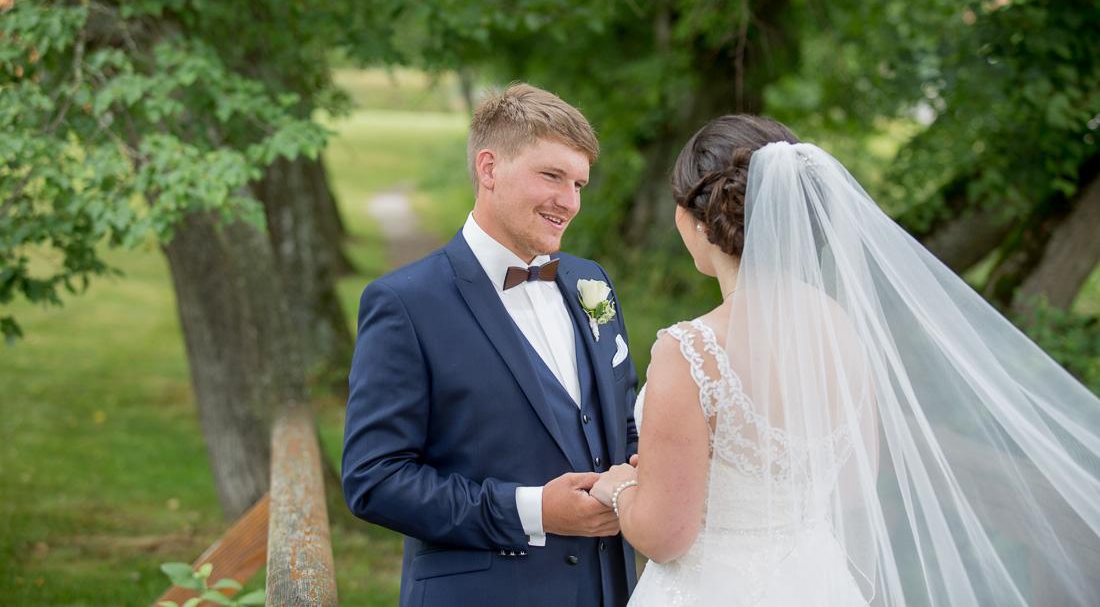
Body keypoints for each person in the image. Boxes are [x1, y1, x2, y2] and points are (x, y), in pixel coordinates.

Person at [592, 114, 1100, 606]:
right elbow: (854, 489)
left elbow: (664, 536)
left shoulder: (690, 350)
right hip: (816, 582)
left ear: (693, 220)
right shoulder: (844, 331)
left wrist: (623, 489)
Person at [342, 83, 639, 607]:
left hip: (607, 589)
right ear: (488, 168)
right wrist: (533, 510)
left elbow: (620, 419)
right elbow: (373, 479)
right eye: (551, 176)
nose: (568, 202)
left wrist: (643, 466)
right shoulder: (405, 303)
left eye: (579, 184)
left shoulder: (591, 281)